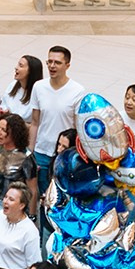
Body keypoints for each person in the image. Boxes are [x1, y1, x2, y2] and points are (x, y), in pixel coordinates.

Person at [28, 46, 84, 184]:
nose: (52, 66)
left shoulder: (77, 91)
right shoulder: (39, 87)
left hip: (64, 153)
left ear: (67, 65)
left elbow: (78, 126)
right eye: (49, 62)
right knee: (39, 191)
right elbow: (35, 122)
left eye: (57, 62)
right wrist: (30, 151)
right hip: (41, 151)